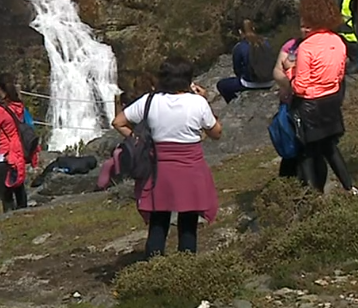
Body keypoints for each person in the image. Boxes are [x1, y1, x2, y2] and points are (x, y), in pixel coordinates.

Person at [111, 56, 223, 258]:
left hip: (159, 169)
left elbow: (118, 122)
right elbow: (216, 132)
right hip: (191, 167)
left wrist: (137, 139)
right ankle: (185, 266)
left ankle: (154, 266)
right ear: (188, 79)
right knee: (188, 221)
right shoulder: (197, 102)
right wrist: (205, 100)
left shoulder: (149, 101)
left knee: (158, 220)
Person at [282, 0, 358, 195]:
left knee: (307, 151)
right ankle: (349, 187)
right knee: (330, 147)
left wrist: (289, 71)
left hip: (310, 105)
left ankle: (311, 193)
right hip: (331, 101)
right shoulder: (338, 41)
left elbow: (300, 87)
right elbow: (339, 74)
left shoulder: (307, 47)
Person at [0, 73, 38, 212]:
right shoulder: (18, 105)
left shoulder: (0, 110)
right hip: (18, 153)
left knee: (7, 195)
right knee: (20, 190)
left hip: (4, 155)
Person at [272, 24, 310, 178]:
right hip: (289, 102)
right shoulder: (291, 45)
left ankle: (307, 179)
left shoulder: (319, 46)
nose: (305, 29)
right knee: (290, 138)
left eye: (309, 26)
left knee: (308, 144)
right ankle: (288, 181)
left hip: (309, 101)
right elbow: (277, 70)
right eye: (302, 26)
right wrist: (288, 85)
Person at [216, 19, 276, 103]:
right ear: (253, 28)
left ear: (240, 31)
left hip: (250, 83)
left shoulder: (240, 47)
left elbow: (237, 70)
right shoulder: (266, 43)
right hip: (270, 81)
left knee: (221, 85)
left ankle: (234, 102)